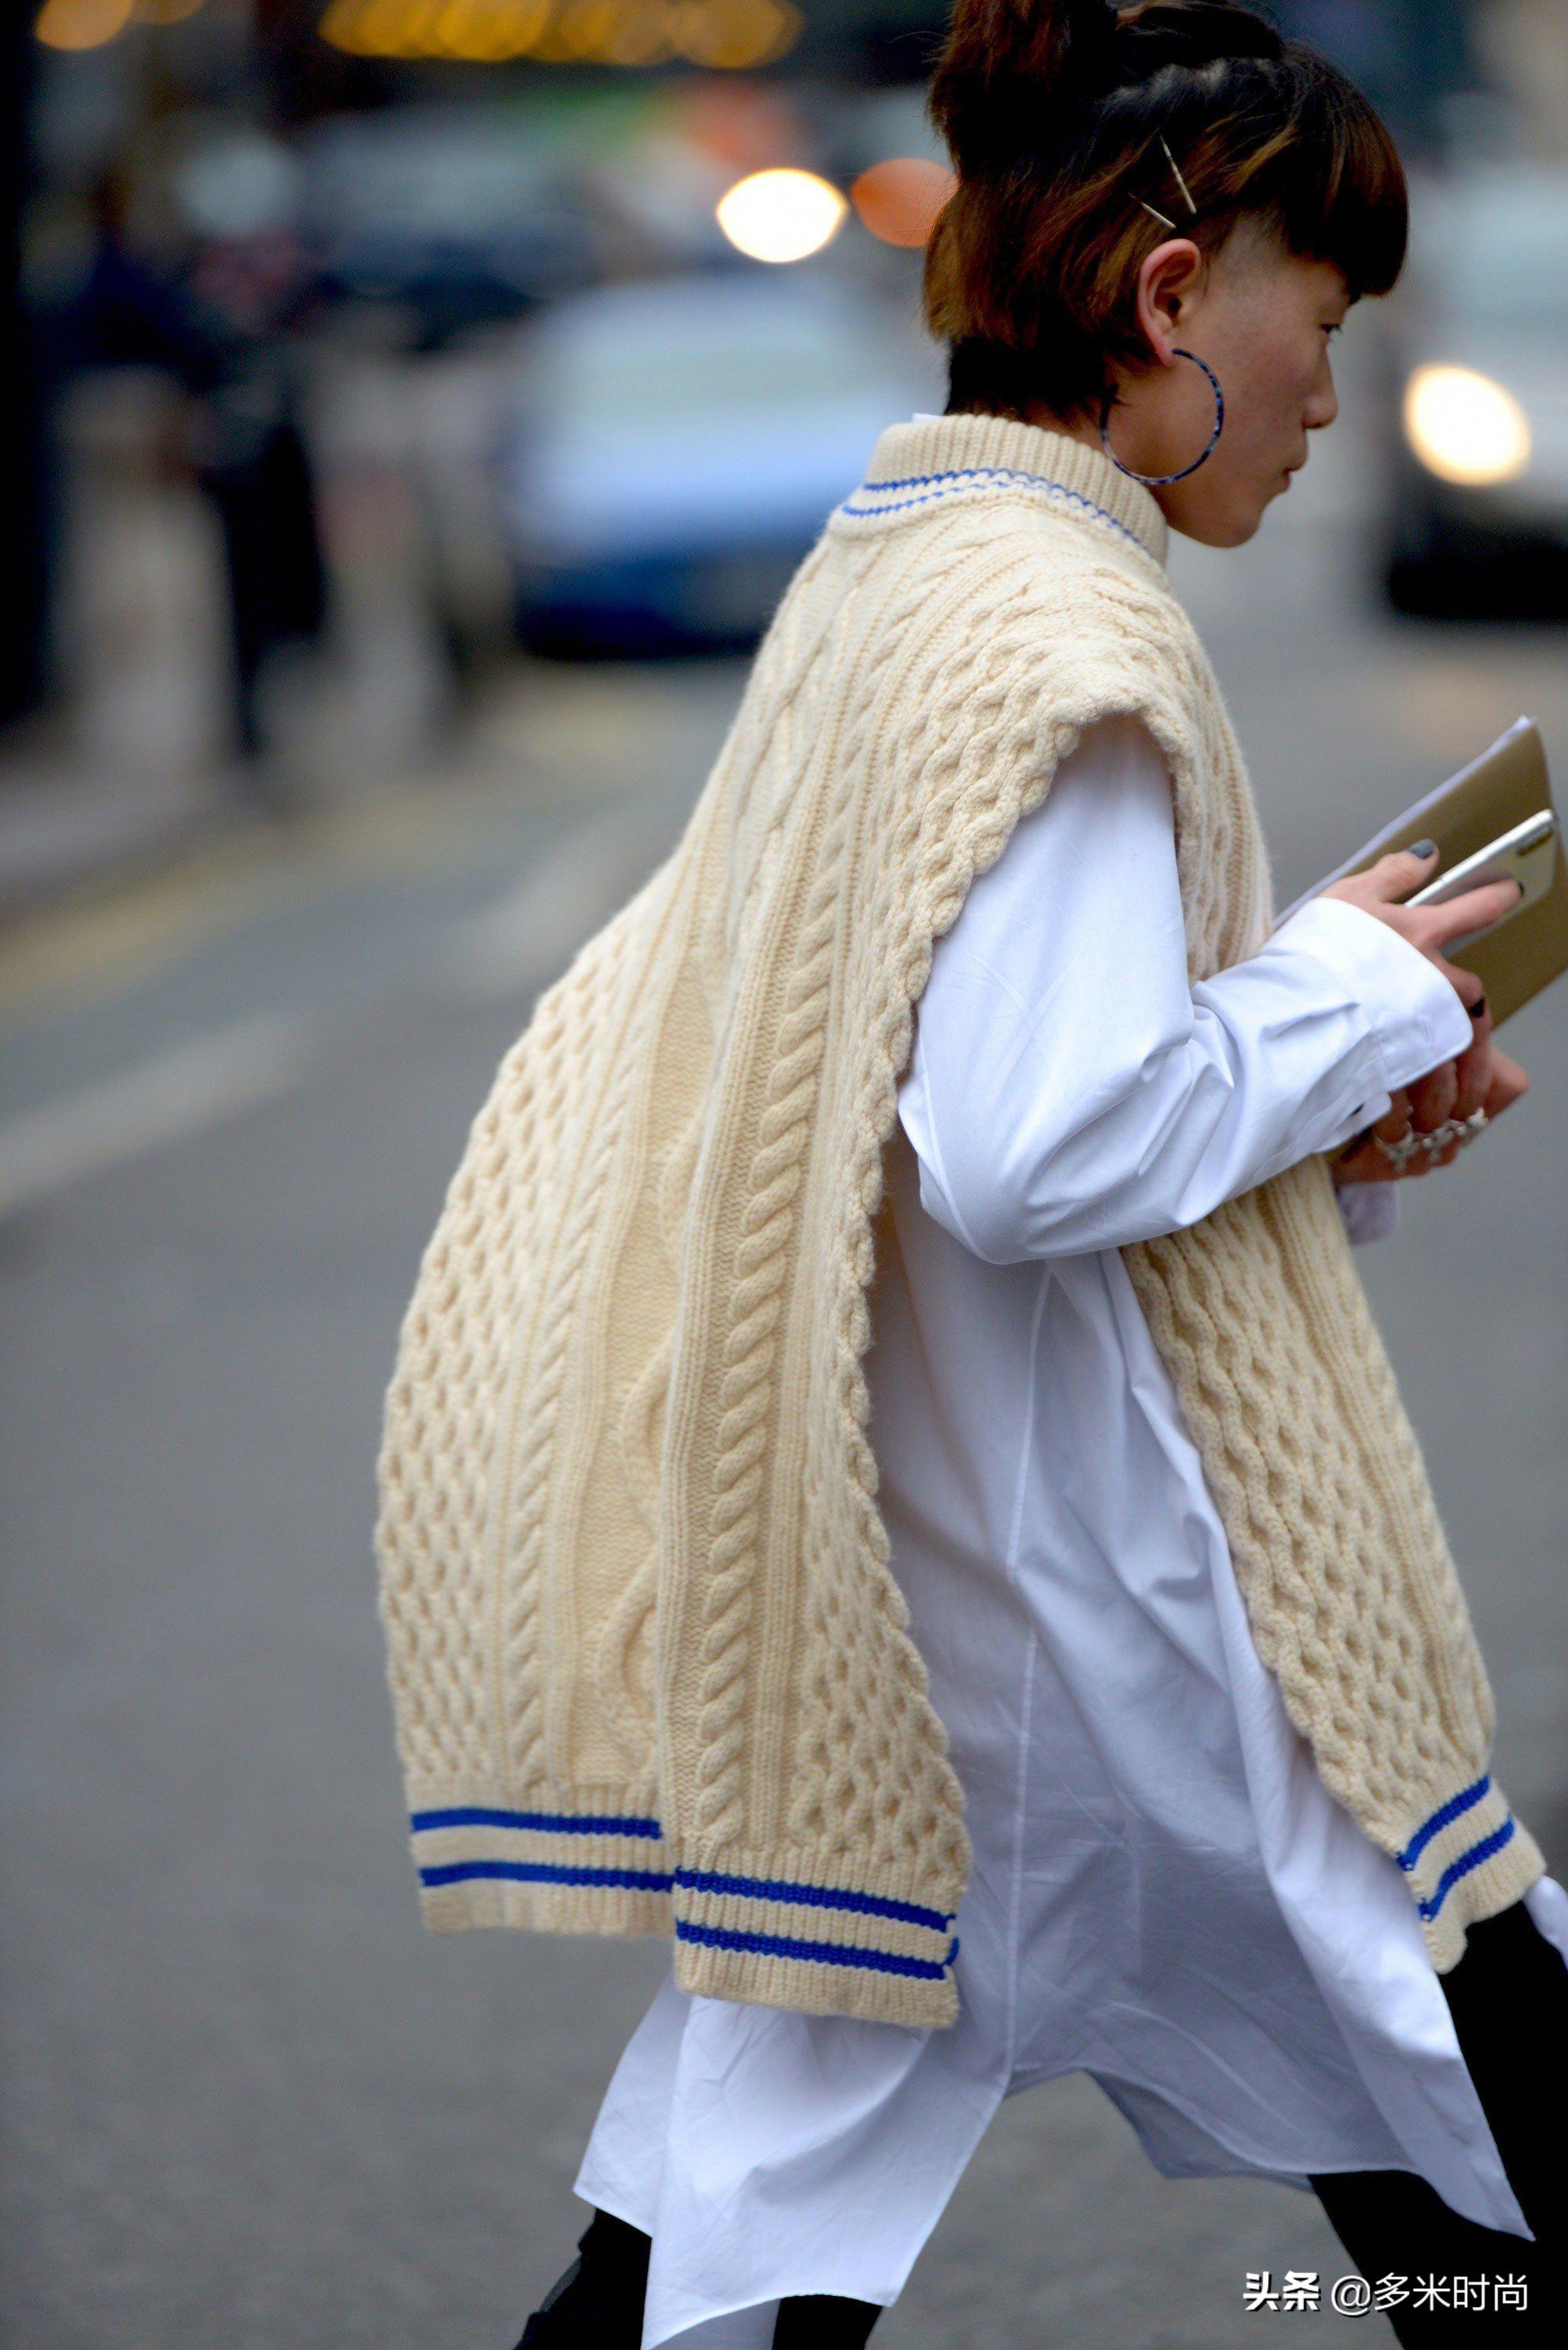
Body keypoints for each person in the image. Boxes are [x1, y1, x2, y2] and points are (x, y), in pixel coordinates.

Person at [371, 7, 1567, 2345]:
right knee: (1475, 2115)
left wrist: (1345, 1068)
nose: (1328, 394)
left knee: (708, 2276)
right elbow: (1036, 1148)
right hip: (1121, 1630)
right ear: (1166, 303)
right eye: (1309, 325)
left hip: (929, 1632)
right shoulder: (1060, 632)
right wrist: (1346, 986)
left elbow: (929, 1119)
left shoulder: (899, 564)